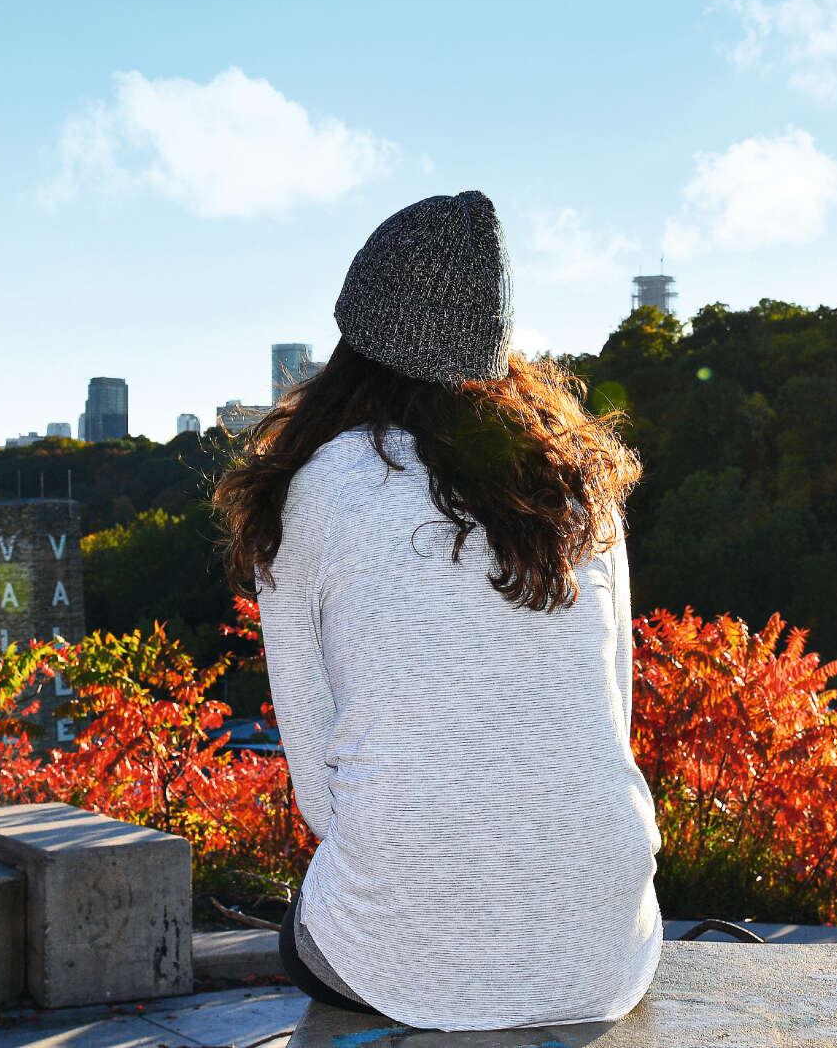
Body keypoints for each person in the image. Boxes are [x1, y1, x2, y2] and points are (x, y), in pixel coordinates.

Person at [210, 191, 663, 1031]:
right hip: (604, 938)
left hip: (403, 943)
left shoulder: (308, 493)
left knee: (302, 933)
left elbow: (318, 793)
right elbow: (615, 719)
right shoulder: (579, 486)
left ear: (358, 331)